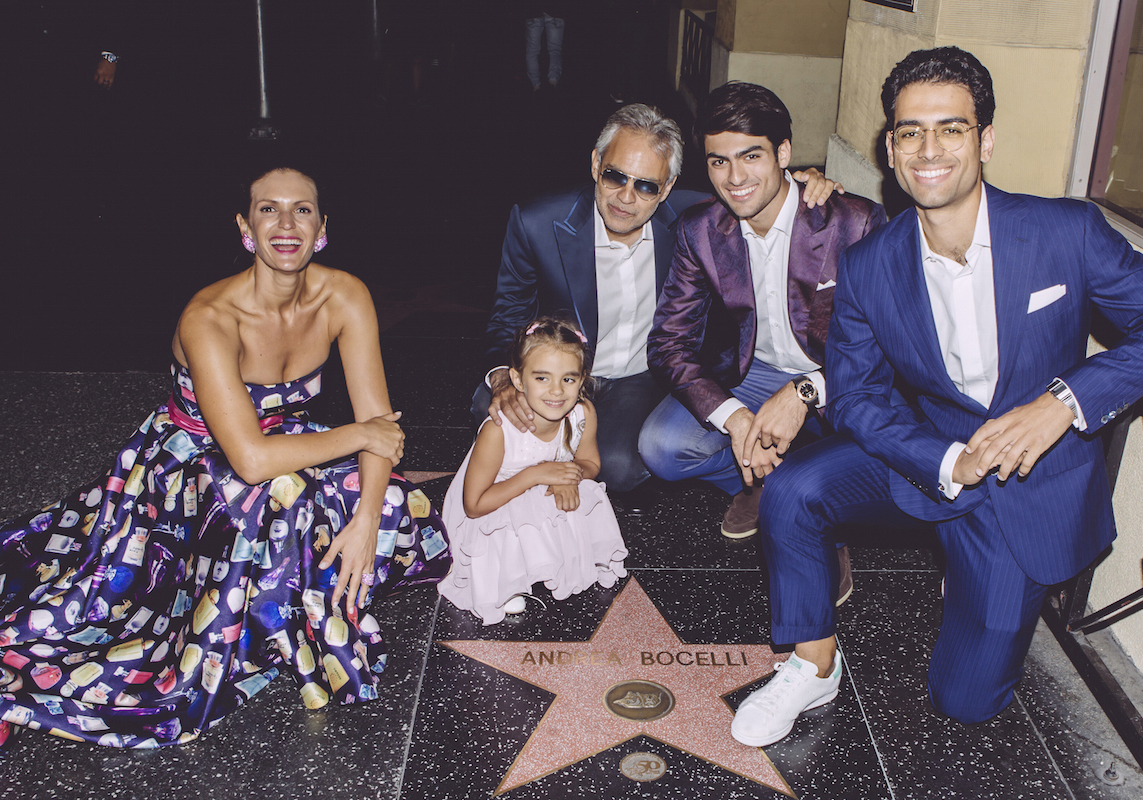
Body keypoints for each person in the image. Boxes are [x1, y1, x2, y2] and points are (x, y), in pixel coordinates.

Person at [0, 167, 452, 760]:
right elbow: (253, 457)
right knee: (282, 499)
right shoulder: (209, 317)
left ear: (322, 229)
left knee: (389, 502)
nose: (286, 225)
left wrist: (364, 520)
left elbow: (377, 426)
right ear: (245, 227)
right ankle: (275, 622)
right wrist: (362, 434)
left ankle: (283, 610)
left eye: (302, 210)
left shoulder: (345, 295)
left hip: (293, 445)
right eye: (268, 210)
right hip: (193, 467)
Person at [731, 47, 1143, 748]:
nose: (929, 150)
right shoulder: (868, 265)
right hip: (927, 458)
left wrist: (1063, 401)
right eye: (910, 131)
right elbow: (857, 398)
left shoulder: (1065, 233)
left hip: (1026, 485)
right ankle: (812, 665)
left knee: (966, 702)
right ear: (890, 148)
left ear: (985, 140)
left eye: (951, 128)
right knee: (793, 492)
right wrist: (945, 459)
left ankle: (980, 584)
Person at [478, 103, 840, 506]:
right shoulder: (537, 222)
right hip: (557, 371)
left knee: (622, 466)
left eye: (647, 185)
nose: (626, 198)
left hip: (639, 379)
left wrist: (807, 182)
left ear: (667, 188)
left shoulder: (695, 217)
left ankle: (765, 478)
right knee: (492, 418)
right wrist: (499, 377)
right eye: (615, 176)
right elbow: (509, 312)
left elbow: (761, 190)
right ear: (597, 164)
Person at [641, 82, 884, 557]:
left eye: (751, 156)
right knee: (661, 448)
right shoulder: (700, 229)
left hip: (841, 375)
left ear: (783, 152)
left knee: (875, 449)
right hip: (755, 373)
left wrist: (806, 391)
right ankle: (767, 480)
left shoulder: (853, 222)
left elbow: (887, 346)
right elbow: (668, 341)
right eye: (718, 161)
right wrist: (735, 420)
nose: (734, 178)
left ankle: (817, 509)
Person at [441, 317, 626, 625]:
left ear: (583, 380)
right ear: (517, 379)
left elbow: (591, 463)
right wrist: (537, 474)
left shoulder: (583, 414)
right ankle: (507, 577)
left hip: (540, 484)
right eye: (542, 378)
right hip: (494, 503)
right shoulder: (499, 431)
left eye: (568, 379)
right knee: (507, 523)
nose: (556, 391)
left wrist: (570, 473)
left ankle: (553, 558)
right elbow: (473, 506)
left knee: (588, 493)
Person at [523, 2, 567, 91]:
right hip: (555, 10)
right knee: (555, 50)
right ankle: (553, 82)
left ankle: (536, 86)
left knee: (532, 52)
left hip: (533, 10)